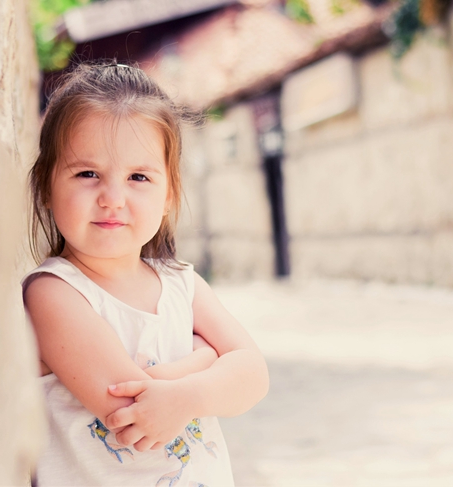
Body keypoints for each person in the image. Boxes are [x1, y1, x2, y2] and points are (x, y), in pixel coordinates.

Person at [22, 62, 269, 487]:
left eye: (139, 176)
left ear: (169, 192)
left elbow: (254, 375)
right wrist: (209, 359)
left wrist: (190, 395)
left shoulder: (182, 285)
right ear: (45, 184)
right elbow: (133, 411)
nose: (112, 198)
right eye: (87, 174)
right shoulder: (54, 293)